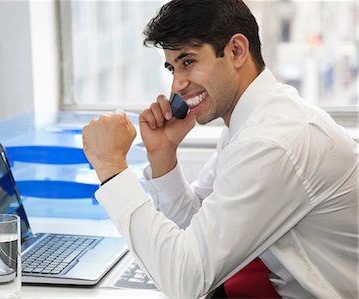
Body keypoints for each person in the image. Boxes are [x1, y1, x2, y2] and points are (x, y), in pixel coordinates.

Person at [81, 0, 359, 298]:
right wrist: (163, 155)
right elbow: (197, 231)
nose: (177, 84)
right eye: (172, 67)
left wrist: (111, 168)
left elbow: (186, 280)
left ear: (236, 51)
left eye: (188, 62)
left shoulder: (272, 142)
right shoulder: (250, 122)